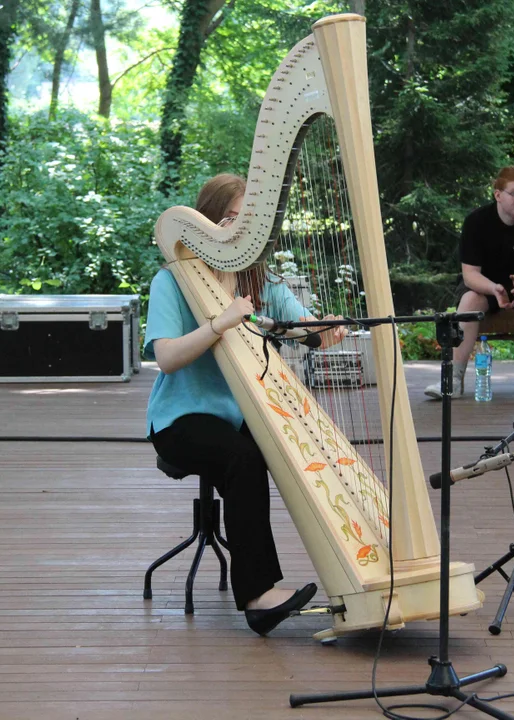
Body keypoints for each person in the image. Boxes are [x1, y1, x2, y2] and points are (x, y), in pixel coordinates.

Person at [145, 173, 346, 636]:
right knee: (243, 457)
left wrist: (324, 329)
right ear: (208, 224)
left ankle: (349, 574)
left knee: (299, 446)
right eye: (229, 218)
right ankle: (258, 596)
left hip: (242, 412)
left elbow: (300, 325)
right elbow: (167, 357)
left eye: (246, 222)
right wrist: (219, 323)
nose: (237, 230)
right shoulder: (172, 282)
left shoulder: (259, 280)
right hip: (180, 418)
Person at [425, 166, 514, 400]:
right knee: (469, 299)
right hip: (484, 286)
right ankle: (453, 379)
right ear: (498, 194)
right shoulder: (476, 222)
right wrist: (493, 288)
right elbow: (470, 275)